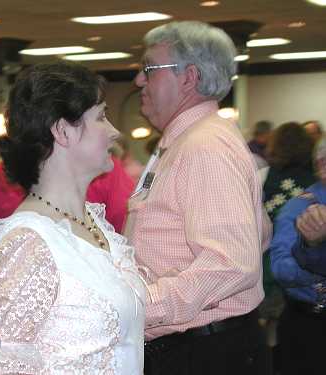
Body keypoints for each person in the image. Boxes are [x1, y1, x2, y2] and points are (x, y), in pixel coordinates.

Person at [0, 62, 146, 374]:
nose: (114, 131)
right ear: (63, 130)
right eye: (101, 117)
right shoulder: (28, 245)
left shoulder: (94, 225)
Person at [127, 21, 272, 375]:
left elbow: (230, 263)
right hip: (200, 345)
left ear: (189, 77)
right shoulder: (188, 140)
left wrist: (138, 306)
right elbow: (260, 233)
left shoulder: (203, 146)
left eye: (149, 69)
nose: (138, 81)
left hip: (203, 351)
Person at [0, 156, 134, 263]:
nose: (113, 132)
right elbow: (128, 234)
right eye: (100, 117)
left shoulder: (10, 169)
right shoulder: (107, 169)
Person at [269, 136, 326, 375]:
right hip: (311, 326)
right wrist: (314, 258)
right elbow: (281, 269)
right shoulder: (300, 208)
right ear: (322, 165)